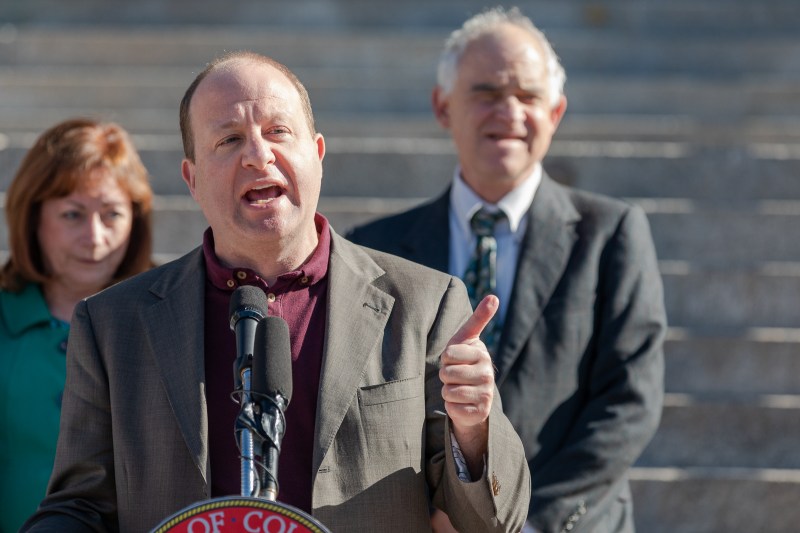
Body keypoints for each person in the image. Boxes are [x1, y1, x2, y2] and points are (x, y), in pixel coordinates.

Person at [22, 51, 530, 532]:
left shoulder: (425, 303)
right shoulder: (114, 323)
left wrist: (473, 430)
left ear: (317, 153)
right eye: (228, 140)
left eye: (278, 132)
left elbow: (490, 521)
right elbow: (80, 506)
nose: (258, 155)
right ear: (192, 179)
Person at [347, 6, 667, 533]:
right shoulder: (375, 249)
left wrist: (522, 522)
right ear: (442, 106)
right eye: (488, 93)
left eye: (528, 96)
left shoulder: (611, 235)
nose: (509, 111)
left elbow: (629, 401)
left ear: (556, 112)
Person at [0, 118, 154, 532]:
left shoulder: (172, 317)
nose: (95, 236)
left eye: (112, 214)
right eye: (72, 214)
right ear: (33, 218)